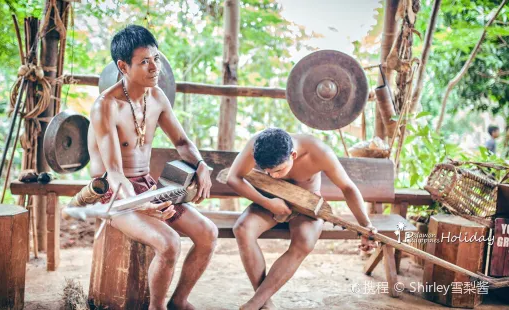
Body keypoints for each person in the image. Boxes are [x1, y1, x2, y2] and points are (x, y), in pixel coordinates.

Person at [87, 25, 217, 310]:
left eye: (156, 58)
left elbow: (182, 142)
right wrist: (138, 205)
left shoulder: (156, 97)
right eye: (144, 61)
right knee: (170, 243)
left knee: (208, 234)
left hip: (147, 187)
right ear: (123, 66)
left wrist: (201, 164)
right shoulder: (105, 106)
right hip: (114, 196)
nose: (154, 66)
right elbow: (114, 172)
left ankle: (179, 302)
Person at [226, 128, 377, 310]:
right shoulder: (258, 144)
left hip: (308, 204)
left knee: (305, 242)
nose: (272, 176)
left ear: (293, 155)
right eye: (267, 172)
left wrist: (365, 225)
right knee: (242, 229)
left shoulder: (319, 152)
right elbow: (233, 178)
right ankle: (263, 303)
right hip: (270, 199)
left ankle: (255, 302)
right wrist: (269, 204)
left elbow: (347, 188)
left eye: (278, 170)